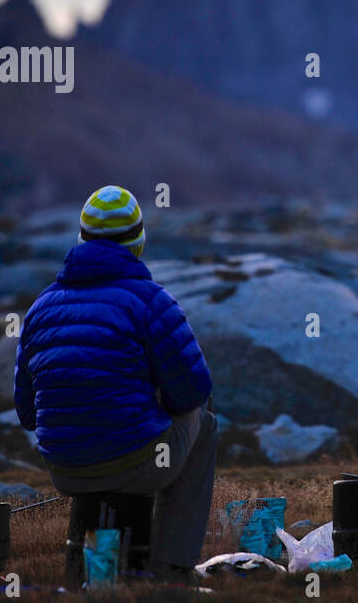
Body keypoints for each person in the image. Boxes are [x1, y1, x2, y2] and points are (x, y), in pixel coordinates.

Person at [14, 185, 215, 582]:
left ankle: (91, 559)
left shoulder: (40, 307)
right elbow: (191, 393)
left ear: (81, 238)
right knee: (205, 422)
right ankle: (172, 566)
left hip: (65, 467)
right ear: (137, 242)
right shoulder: (151, 302)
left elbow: (27, 414)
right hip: (133, 464)